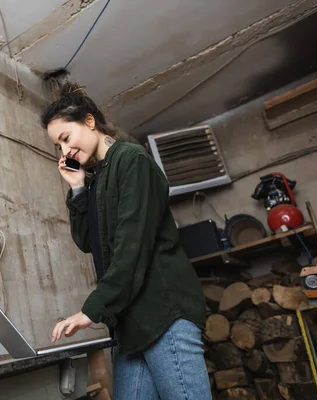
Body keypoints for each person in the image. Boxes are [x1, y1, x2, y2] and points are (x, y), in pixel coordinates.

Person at [41, 82, 211, 400]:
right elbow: (87, 241)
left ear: (89, 121)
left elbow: (131, 247)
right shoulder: (98, 179)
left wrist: (92, 309)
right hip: (129, 324)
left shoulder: (131, 160)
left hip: (163, 313)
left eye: (65, 139)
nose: (64, 152)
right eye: (58, 147)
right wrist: (77, 188)